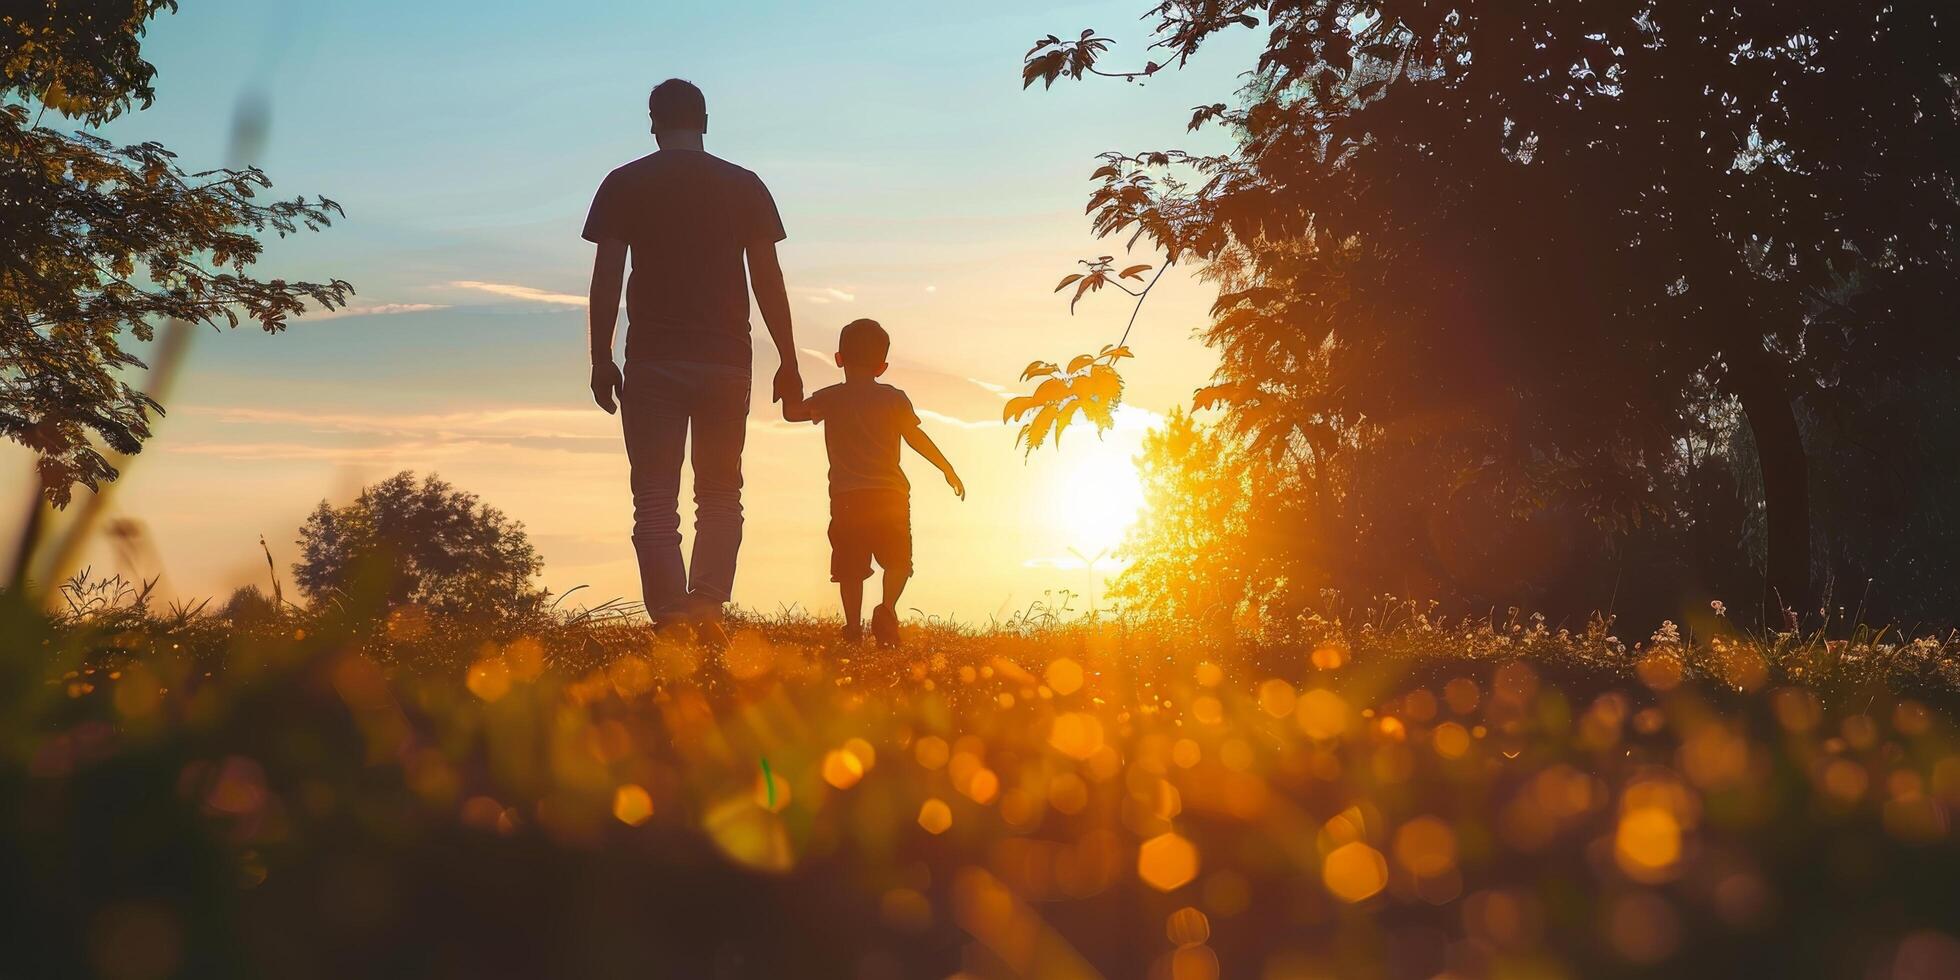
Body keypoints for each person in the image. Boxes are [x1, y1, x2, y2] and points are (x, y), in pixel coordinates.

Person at [583, 79, 802, 636]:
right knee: (721, 489)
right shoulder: (744, 185)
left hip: (653, 357)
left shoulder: (624, 183)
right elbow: (767, 278)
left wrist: (600, 356)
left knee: (655, 492)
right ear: (705, 120)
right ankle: (707, 605)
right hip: (728, 358)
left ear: (653, 121)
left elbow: (607, 274)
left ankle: (671, 617)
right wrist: (789, 358)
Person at [782, 319, 964, 646]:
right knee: (898, 561)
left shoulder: (831, 398)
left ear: (839, 359)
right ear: (882, 366)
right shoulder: (894, 399)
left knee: (850, 568)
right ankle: (887, 608)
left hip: (847, 497)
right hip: (889, 495)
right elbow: (915, 437)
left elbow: (793, 413)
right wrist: (946, 467)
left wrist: (788, 387)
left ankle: (853, 626)